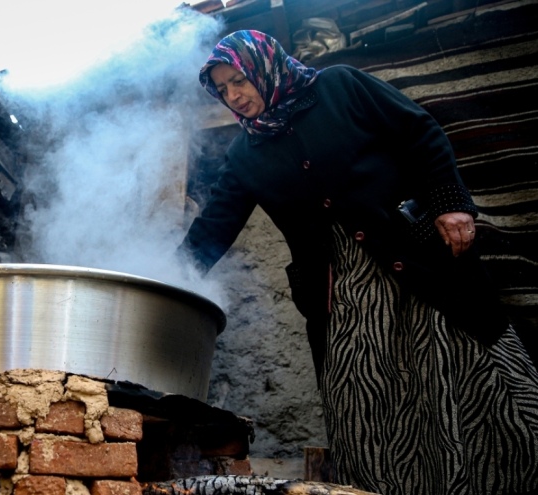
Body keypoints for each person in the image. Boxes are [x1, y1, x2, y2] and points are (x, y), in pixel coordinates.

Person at [178, 30, 538, 495]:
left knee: (468, 383)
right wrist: (172, 280)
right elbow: (213, 227)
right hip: (343, 296)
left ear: (264, 66)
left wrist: (451, 201)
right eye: (223, 90)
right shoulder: (245, 155)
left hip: (420, 266)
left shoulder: (340, 86)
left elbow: (419, 131)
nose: (234, 96)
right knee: (365, 404)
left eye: (239, 81)